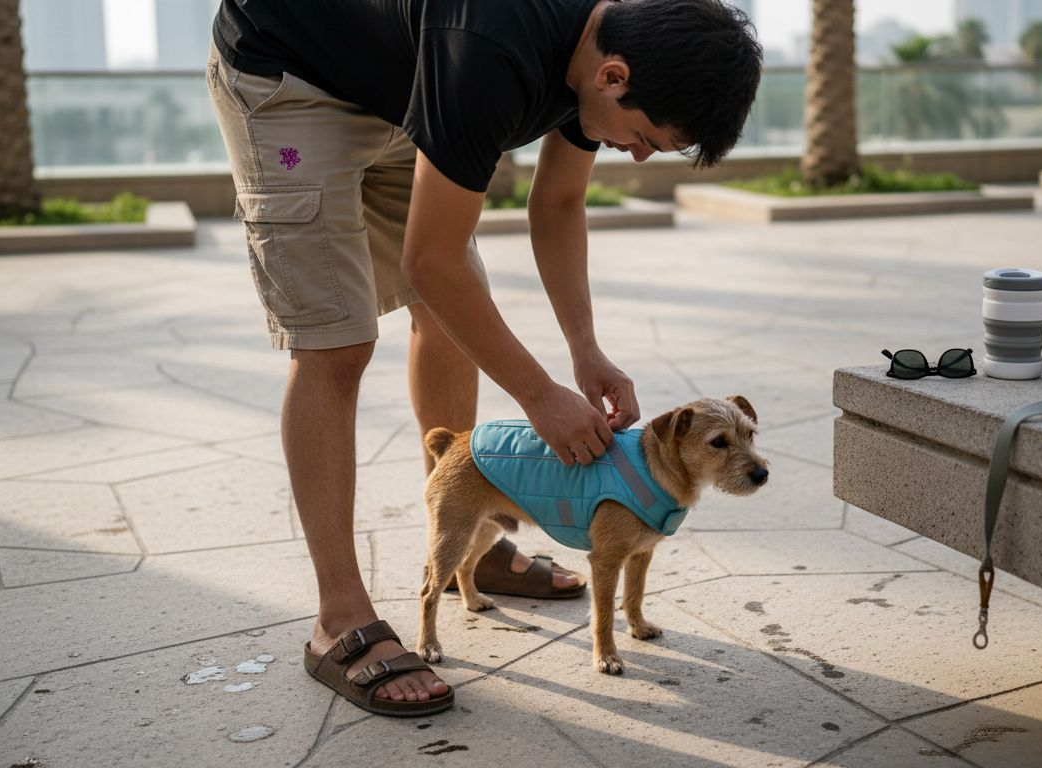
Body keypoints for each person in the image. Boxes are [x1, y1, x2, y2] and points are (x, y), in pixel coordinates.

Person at [207, 0, 761, 715]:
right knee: (337, 343)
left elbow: (558, 202)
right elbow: (430, 260)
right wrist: (539, 395)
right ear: (613, 76)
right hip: (291, 75)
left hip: (405, 86)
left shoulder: (606, 45)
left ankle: (472, 524)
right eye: (645, 137)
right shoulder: (490, 52)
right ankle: (338, 616)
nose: (640, 153)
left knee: (447, 317)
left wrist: (583, 350)